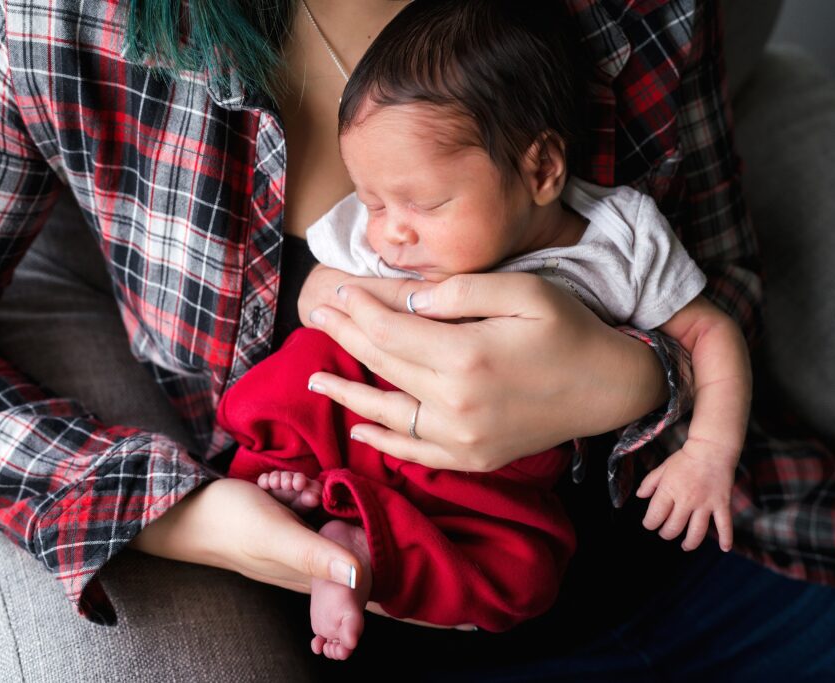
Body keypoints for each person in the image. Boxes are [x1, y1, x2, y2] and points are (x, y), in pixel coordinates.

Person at [0, 0, 835, 679]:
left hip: (718, 551)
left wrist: (630, 383)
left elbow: (716, 282)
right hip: (393, 607)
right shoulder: (38, 21)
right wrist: (182, 514)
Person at [219, 0, 748, 660]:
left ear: (540, 170)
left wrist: (707, 452)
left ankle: (358, 549)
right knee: (306, 368)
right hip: (365, 428)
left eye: (426, 203)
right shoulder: (385, 232)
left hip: (496, 473)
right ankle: (307, 490)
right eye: (373, 201)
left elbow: (712, 331)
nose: (389, 230)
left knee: (525, 574)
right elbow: (317, 295)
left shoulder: (620, 238)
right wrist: (403, 297)